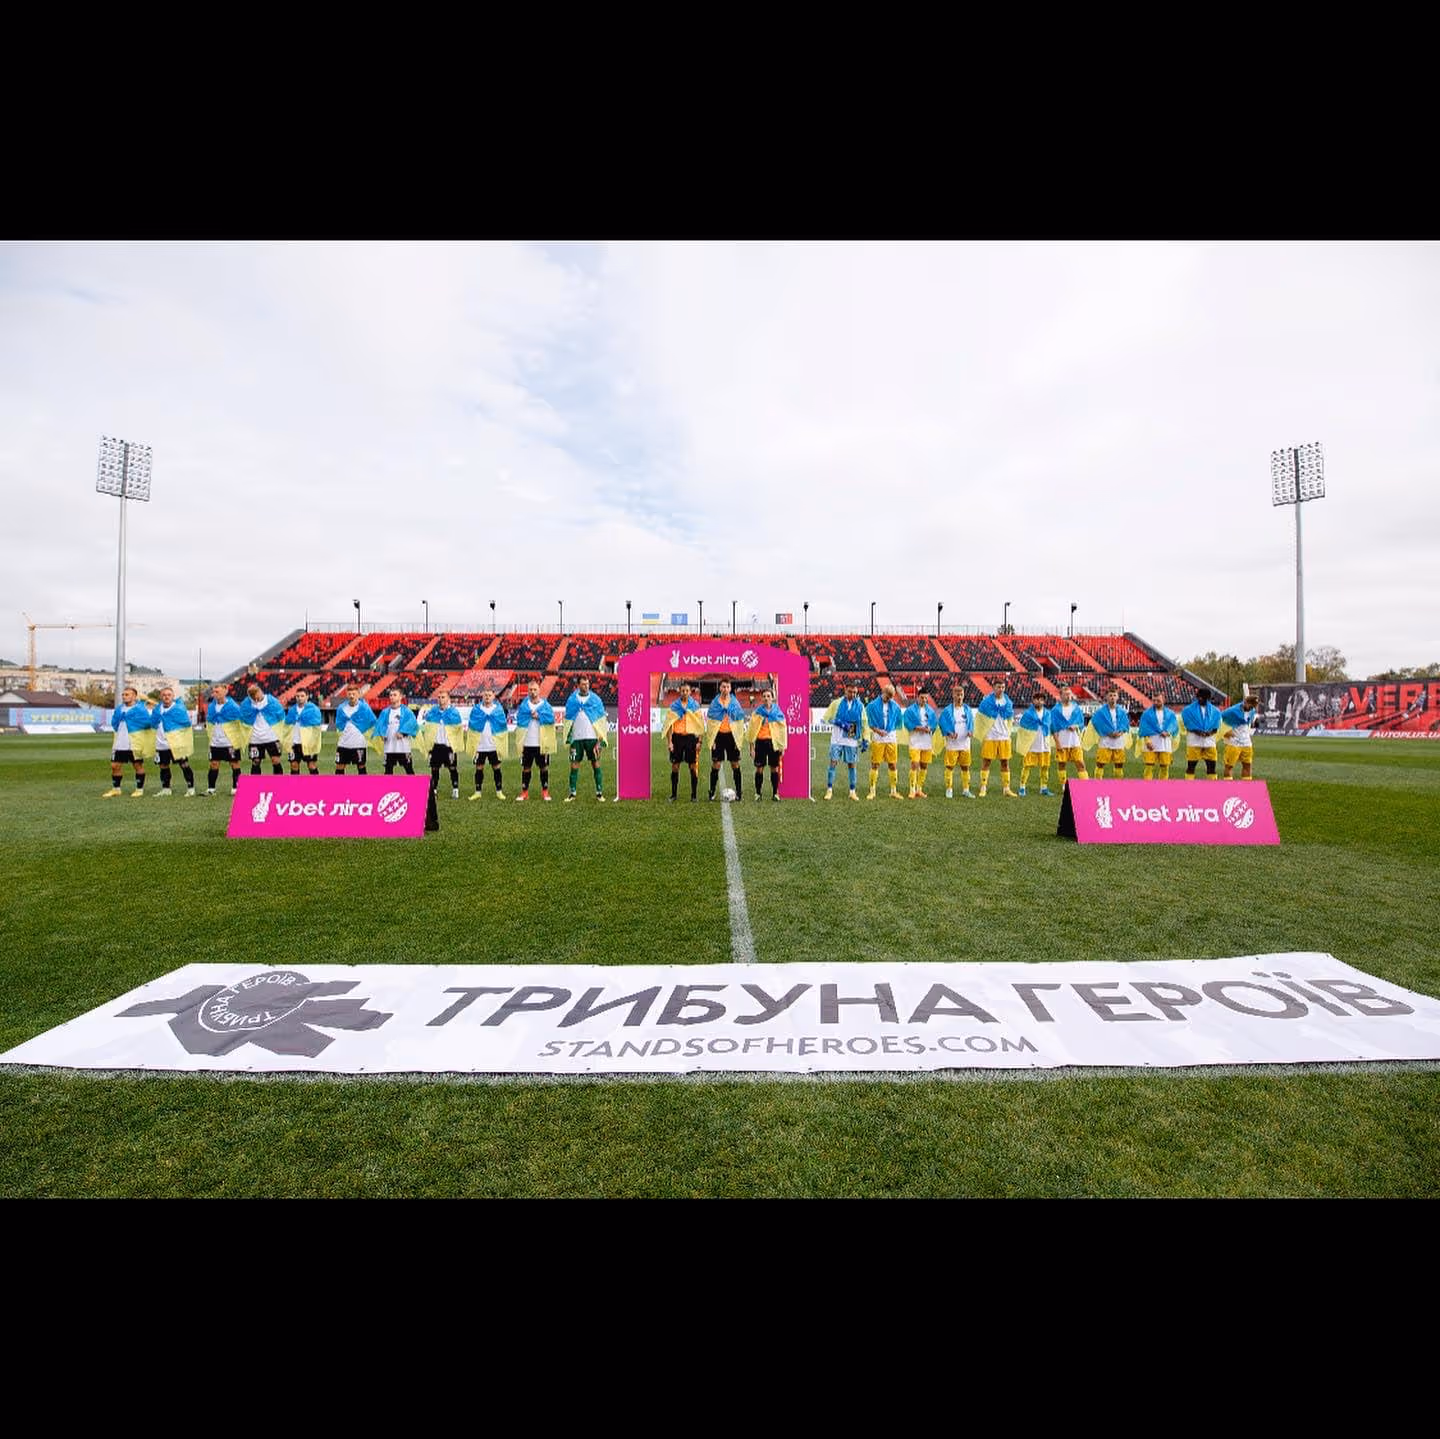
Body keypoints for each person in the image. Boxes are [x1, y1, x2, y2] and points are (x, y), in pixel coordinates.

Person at [102, 684, 155, 797]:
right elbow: (115, 723)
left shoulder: (140, 709)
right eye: (123, 695)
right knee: (115, 765)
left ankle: (139, 789)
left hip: (134, 742)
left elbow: (147, 723)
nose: (124, 696)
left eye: (127, 694)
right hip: (120, 741)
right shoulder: (119, 709)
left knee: (137, 765)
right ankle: (116, 789)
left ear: (134, 696)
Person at [564, 674, 609, 802]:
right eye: (583, 684)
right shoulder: (572, 700)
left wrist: (600, 739)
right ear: (578, 685)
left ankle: (599, 793)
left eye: (587, 684)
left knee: (595, 763)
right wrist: (569, 737)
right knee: (574, 765)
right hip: (576, 738)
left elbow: (601, 720)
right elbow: (568, 719)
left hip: (592, 738)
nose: (586, 686)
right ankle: (572, 793)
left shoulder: (595, 700)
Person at [822, 678, 868, 799]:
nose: (852, 694)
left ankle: (852, 791)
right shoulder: (836, 703)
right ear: (845, 690)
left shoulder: (860, 706)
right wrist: (837, 722)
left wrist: (866, 738)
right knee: (833, 762)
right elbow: (826, 718)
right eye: (850, 692)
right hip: (837, 738)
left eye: (855, 692)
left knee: (852, 764)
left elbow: (864, 723)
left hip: (851, 738)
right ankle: (829, 790)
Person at [975, 674, 1019, 798]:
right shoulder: (986, 702)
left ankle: (1006, 789)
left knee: (1005, 762)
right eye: (999, 687)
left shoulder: (1008, 702)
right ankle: (983, 787)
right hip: (990, 736)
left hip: (1004, 736)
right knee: (986, 762)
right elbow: (980, 718)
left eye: (1003, 687)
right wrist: (981, 732)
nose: (1001, 689)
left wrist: (1008, 732)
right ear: (993, 687)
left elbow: (1010, 718)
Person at [514, 680, 557, 802]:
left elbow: (551, 719)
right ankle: (524, 792)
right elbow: (520, 719)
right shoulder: (524, 705)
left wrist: (539, 716)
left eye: (535, 689)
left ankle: (545, 792)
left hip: (541, 743)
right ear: (528, 691)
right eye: (530, 690)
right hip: (527, 742)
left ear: (539, 690)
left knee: (543, 767)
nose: (533, 692)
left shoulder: (545, 705)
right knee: (526, 768)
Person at [465, 685, 510, 800]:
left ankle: (499, 791)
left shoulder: (498, 710)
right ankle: (478, 792)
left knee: (496, 767)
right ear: (482, 696)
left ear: (494, 696)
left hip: (494, 745)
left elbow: (502, 726)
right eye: (485, 695)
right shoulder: (476, 709)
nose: (487, 697)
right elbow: (472, 725)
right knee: (479, 768)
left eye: (489, 695)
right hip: (480, 745)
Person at [200, 681, 245, 797]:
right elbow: (209, 721)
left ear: (225, 691)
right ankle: (211, 789)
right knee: (213, 764)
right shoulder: (211, 706)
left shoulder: (233, 707)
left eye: (218, 692)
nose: (215, 694)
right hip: (215, 741)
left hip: (230, 741)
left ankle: (236, 788)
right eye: (214, 692)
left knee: (234, 764)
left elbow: (241, 722)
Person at [704, 679, 746, 802]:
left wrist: (738, 739)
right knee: (716, 764)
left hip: (732, 736)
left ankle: (739, 792)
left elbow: (739, 720)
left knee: (735, 764)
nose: (725, 689)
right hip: (718, 736)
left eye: (727, 687)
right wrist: (712, 739)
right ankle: (712, 792)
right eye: (723, 687)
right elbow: (710, 722)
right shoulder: (715, 703)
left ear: (730, 688)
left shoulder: (734, 703)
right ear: (720, 688)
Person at [151, 685, 197, 796]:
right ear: (160, 697)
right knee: (163, 766)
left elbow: (186, 723)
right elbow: (153, 723)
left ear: (173, 696)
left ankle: (191, 788)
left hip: (176, 743)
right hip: (161, 743)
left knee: (184, 764)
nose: (166, 697)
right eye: (164, 695)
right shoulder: (157, 710)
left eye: (169, 695)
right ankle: (166, 789)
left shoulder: (178, 709)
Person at [419, 687, 463, 799]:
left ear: (448, 699)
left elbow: (458, 728)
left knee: (452, 768)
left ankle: (455, 789)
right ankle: (434, 789)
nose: (440, 699)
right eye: (439, 697)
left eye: (443, 697)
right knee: (434, 768)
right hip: (436, 745)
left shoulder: (453, 712)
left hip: (449, 746)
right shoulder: (433, 712)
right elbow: (428, 727)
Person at [865, 680, 905, 800]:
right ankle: (872, 791)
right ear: (883, 692)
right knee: (875, 764)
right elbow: (869, 723)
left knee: (892, 764)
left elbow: (898, 721)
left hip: (891, 738)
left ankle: (893, 791)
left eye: (891, 697)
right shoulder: (872, 706)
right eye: (887, 697)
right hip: (878, 738)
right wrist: (878, 731)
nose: (889, 699)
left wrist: (890, 729)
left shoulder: (895, 706)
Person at [663, 682, 703, 802]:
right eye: (682, 691)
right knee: (675, 766)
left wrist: (699, 741)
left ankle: (694, 795)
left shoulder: (695, 706)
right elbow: (669, 725)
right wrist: (670, 742)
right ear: (679, 691)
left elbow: (700, 724)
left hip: (691, 738)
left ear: (690, 692)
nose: (685, 693)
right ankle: (673, 795)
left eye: (687, 691)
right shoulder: (674, 706)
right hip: (677, 738)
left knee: (692, 766)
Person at [239, 682, 288, 777]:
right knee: (256, 761)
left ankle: (279, 783)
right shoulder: (246, 704)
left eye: (256, 695)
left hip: (271, 737)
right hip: (255, 738)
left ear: (260, 691)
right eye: (252, 697)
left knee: (275, 760)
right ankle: (255, 784)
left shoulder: (271, 701)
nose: (255, 698)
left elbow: (280, 715)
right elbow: (242, 717)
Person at [938, 682, 977, 798]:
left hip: (965, 744)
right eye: (957, 695)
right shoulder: (947, 710)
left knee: (965, 767)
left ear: (963, 695)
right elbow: (942, 723)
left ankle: (966, 790)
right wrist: (949, 733)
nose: (959, 697)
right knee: (950, 767)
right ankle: (949, 789)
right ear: (953, 695)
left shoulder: (967, 709)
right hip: (952, 744)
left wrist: (970, 731)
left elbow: (971, 723)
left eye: (961, 695)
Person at [1085, 685, 1133, 779]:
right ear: (1106, 697)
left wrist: (1120, 732)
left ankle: (1117, 784)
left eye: (1114, 695)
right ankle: (1098, 783)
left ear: (1117, 697)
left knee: (1119, 764)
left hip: (1119, 741)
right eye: (1110, 695)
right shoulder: (1100, 712)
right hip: (1105, 741)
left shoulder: (1122, 711)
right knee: (1100, 764)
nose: (1112, 697)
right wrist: (1108, 732)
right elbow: (1097, 723)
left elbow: (1125, 724)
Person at [748, 686, 787, 801]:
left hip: (773, 743)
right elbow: (751, 731)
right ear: (762, 698)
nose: (766, 698)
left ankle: (775, 793)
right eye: (764, 696)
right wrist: (751, 747)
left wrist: (782, 746)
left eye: (768, 696)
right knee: (759, 768)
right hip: (760, 743)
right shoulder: (757, 713)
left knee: (774, 768)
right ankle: (758, 793)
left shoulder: (778, 712)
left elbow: (782, 730)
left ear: (772, 698)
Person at [370, 687, 419, 776]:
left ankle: (414, 785)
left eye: (394, 695)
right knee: (388, 771)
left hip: (403, 747)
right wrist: (382, 734)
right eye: (391, 695)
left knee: (409, 770)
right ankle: (388, 785)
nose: (392, 697)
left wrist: (403, 733)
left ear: (400, 697)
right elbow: (380, 725)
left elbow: (413, 724)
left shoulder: (407, 711)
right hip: (389, 747)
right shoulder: (385, 712)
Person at [1179, 686, 1225, 781]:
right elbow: (1188, 723)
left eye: (1202, 698)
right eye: (1199, 697)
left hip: (1209, 742)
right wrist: (1197, 731)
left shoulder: (1215, 711)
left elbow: (1217, 725)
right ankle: (1188, 786)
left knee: (1211, 767)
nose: (1200, 699)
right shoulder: (1188, 710)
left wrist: (1210, 733)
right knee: (1191, 766)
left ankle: (1212, 786)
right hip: (1194, 741)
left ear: (1207, 698)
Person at [1048, 684, 1088, 791]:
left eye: (1069, 694)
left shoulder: (1076, 708)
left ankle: (1086, 785)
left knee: (1080, 762)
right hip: (1062, 740)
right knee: (1062, 764)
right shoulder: (1055, 710)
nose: (1068, 696)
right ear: (1060, 696)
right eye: (1066, 694)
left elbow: (1081, 722)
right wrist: (1057, 743)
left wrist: (1076, 726)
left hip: (1075, 740)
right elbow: (1053, 727)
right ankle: (1064, 785)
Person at [901, 687, 939, 799]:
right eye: (922, 698)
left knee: (924, 765)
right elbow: (907, 723)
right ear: (917, 697)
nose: (924, 700)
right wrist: (919, 728)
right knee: (914, 764)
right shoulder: (910, 710)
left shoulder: (930, 711)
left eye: (926, 698)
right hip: (915, 741)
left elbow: (934, 724)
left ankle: (919, 789)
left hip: (927, 742)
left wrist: (930, 728)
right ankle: (912, 790)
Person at [1014, 693, 1053, 797]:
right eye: (1036, 699)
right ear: (1033, 701)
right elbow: (1023, 727)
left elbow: (1049, 726)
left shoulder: (1047, 714)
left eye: (1041, 699)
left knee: (1045, 766)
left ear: (1044, 701)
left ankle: (1044, 788)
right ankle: (1022, 787)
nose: (1038, 701)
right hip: (1031, 745)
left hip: (1044, 744)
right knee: (1027, 766)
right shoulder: (1028, 714)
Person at [333, 684, 375, 775]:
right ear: (346, 695)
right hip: (343, 743)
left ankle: (363, 785)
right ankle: (338, 784)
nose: (351, 696)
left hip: (359, 743)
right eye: (349, 694)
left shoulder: (364, 708)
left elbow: (372, 721)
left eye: (354, 694)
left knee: (361, 766)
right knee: (339, 766)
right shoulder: (341, 708)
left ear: (358, 694)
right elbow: (339, 724)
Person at [1137, 694, 1180, 780]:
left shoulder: (1170, 714)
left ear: (1164, 700)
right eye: (1154, 700)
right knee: (1149, 767)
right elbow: (1143, 728)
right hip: (1151, 743)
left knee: (1165, 767)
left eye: (1158, 701)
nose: (1156, 702)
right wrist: (1147, 741)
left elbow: (1174, 725)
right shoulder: (1146, 714)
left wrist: (1168, 732)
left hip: (1165, 744)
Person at [1220, 693, 1261, 780]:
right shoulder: (1232, 711)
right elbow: (1218, 718)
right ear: (1245, 702)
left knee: (1247, 765)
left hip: (1246, 742)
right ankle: (1228, 786)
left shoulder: (1252, 710)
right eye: (1251, 706)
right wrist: (1224, 731)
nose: (1252, 708)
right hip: (1233, 742)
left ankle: (1246, 786)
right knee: (1229, 766)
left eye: (1253, 706)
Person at [284, 688, 323, 777]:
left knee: (311, 765)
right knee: (294, 765)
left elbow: (316, 725)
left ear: (307, 697)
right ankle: (295, 785)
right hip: (294, 742)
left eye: (302, 696)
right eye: (297, 696)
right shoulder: (292, 710)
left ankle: (317, 785)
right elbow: (287, 725)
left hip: (308, 743)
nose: (300, 698)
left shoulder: (313, 709)